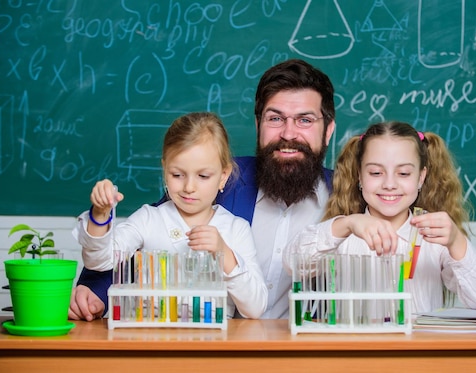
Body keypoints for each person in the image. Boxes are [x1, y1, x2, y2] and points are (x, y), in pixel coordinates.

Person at [70, 59, 336, 321]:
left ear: (328, 130)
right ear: (258, 125)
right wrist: (94, 292)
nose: (288, 133)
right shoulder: (217, 177)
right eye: (275, 118)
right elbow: (148, 238)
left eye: (305, 120)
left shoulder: (344, 196)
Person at [70, 112, 267, 320]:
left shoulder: (236, 229)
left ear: (223, 176)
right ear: (165, 169)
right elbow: (99, 261)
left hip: (210, 345)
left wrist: (224, 253)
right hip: (150, 341)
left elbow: (255, 308)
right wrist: (100, 215)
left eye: (203, 176)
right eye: (177, 175)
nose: (189, 187)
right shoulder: (148, 219)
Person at [283, 121, 476, 313]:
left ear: (421, 177)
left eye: (403, 173)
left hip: (419, 354)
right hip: (355, 352)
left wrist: (456, 241)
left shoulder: (434, 240)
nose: (389, 184)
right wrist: (346, 224)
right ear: (359, 175)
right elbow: (292, 265)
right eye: (376, 173)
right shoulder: (344, 236)